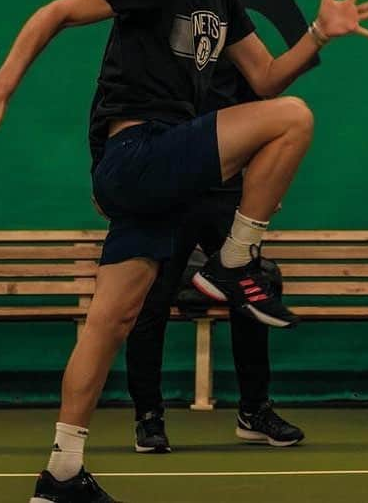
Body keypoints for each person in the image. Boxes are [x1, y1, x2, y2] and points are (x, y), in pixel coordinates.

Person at [0, 0, 368, 503]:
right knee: (293, 121)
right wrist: (2, 84)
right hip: (137, 153)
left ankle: (61, 472)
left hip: (158, 175)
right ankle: (235, 261)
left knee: (109, 320)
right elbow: (57, 12)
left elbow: (263, 77)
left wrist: (319, 33)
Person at [128, 58, 304, 455]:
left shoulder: (234, 41)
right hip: (167, 190)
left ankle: (255, 412)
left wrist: (265, 182)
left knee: (248, 289)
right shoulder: (152, 46)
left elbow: (259, 115)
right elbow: (125, 115)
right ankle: (148, 416)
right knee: (149, 302)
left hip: (225, 188)